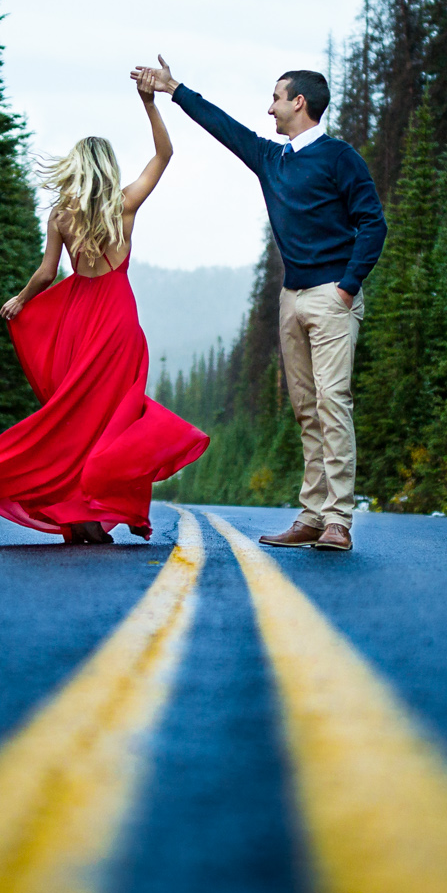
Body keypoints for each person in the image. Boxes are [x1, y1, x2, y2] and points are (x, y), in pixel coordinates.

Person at [130, 55, 385, 552]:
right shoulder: (273, 159)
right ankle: (312, 515)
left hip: (332, 296)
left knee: (333, 404)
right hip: (292, 299)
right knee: (307, 410)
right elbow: (225, 128)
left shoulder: (339, 158)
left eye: (275, 98)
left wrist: (347, 285)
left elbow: (373, 222)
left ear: (299, 102)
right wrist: (174, 88)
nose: (269, 109)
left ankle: (338, 520)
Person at [0, 76, 210, 543]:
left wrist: (22, 300)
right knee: (113, 418)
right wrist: (149, 105)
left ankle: (79, 514)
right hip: (117, 321)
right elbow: (164, 156)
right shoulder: (125, 204)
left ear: (76, 168)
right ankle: (94, 507)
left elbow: (48, 274)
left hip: (77, 321)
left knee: (74, 419)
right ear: (107, 168)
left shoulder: (60, 215)